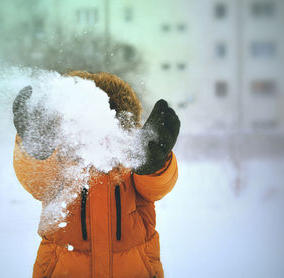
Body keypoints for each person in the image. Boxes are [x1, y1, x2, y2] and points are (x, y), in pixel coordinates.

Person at [12, 71, 180, 278]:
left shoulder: (132, 159)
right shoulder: (61, 161)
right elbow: (40, 183)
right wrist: (36, 150)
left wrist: (155, 163)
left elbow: (156, 187)